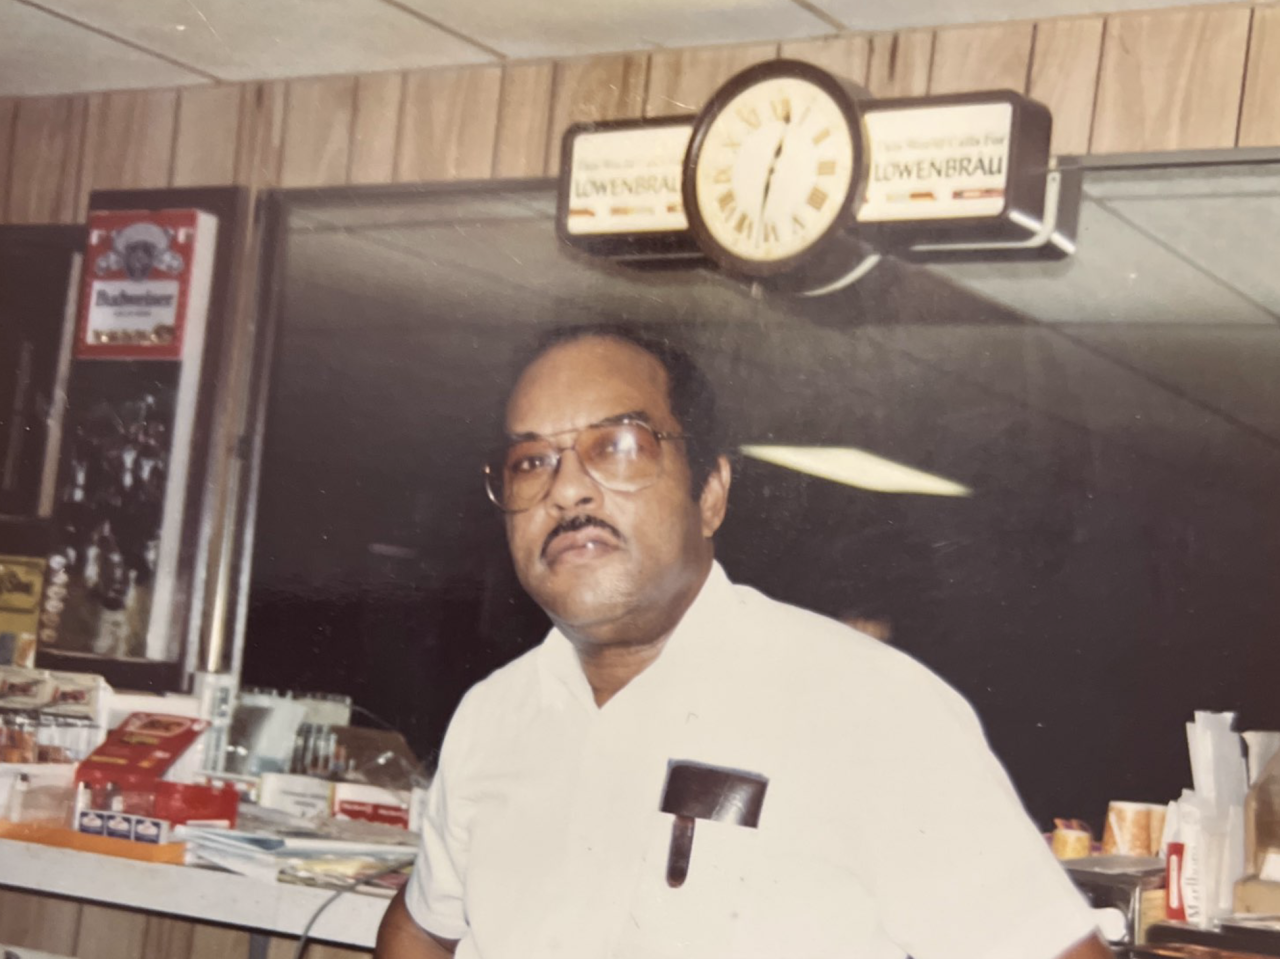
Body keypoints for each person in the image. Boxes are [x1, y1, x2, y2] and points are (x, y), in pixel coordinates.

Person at [376, 326, 1112, 959]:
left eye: (620, 445)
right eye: (533, 460)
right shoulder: (494, 717)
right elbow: (421, 927)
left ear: (711, 494)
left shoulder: (868, 706)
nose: (568, 490)